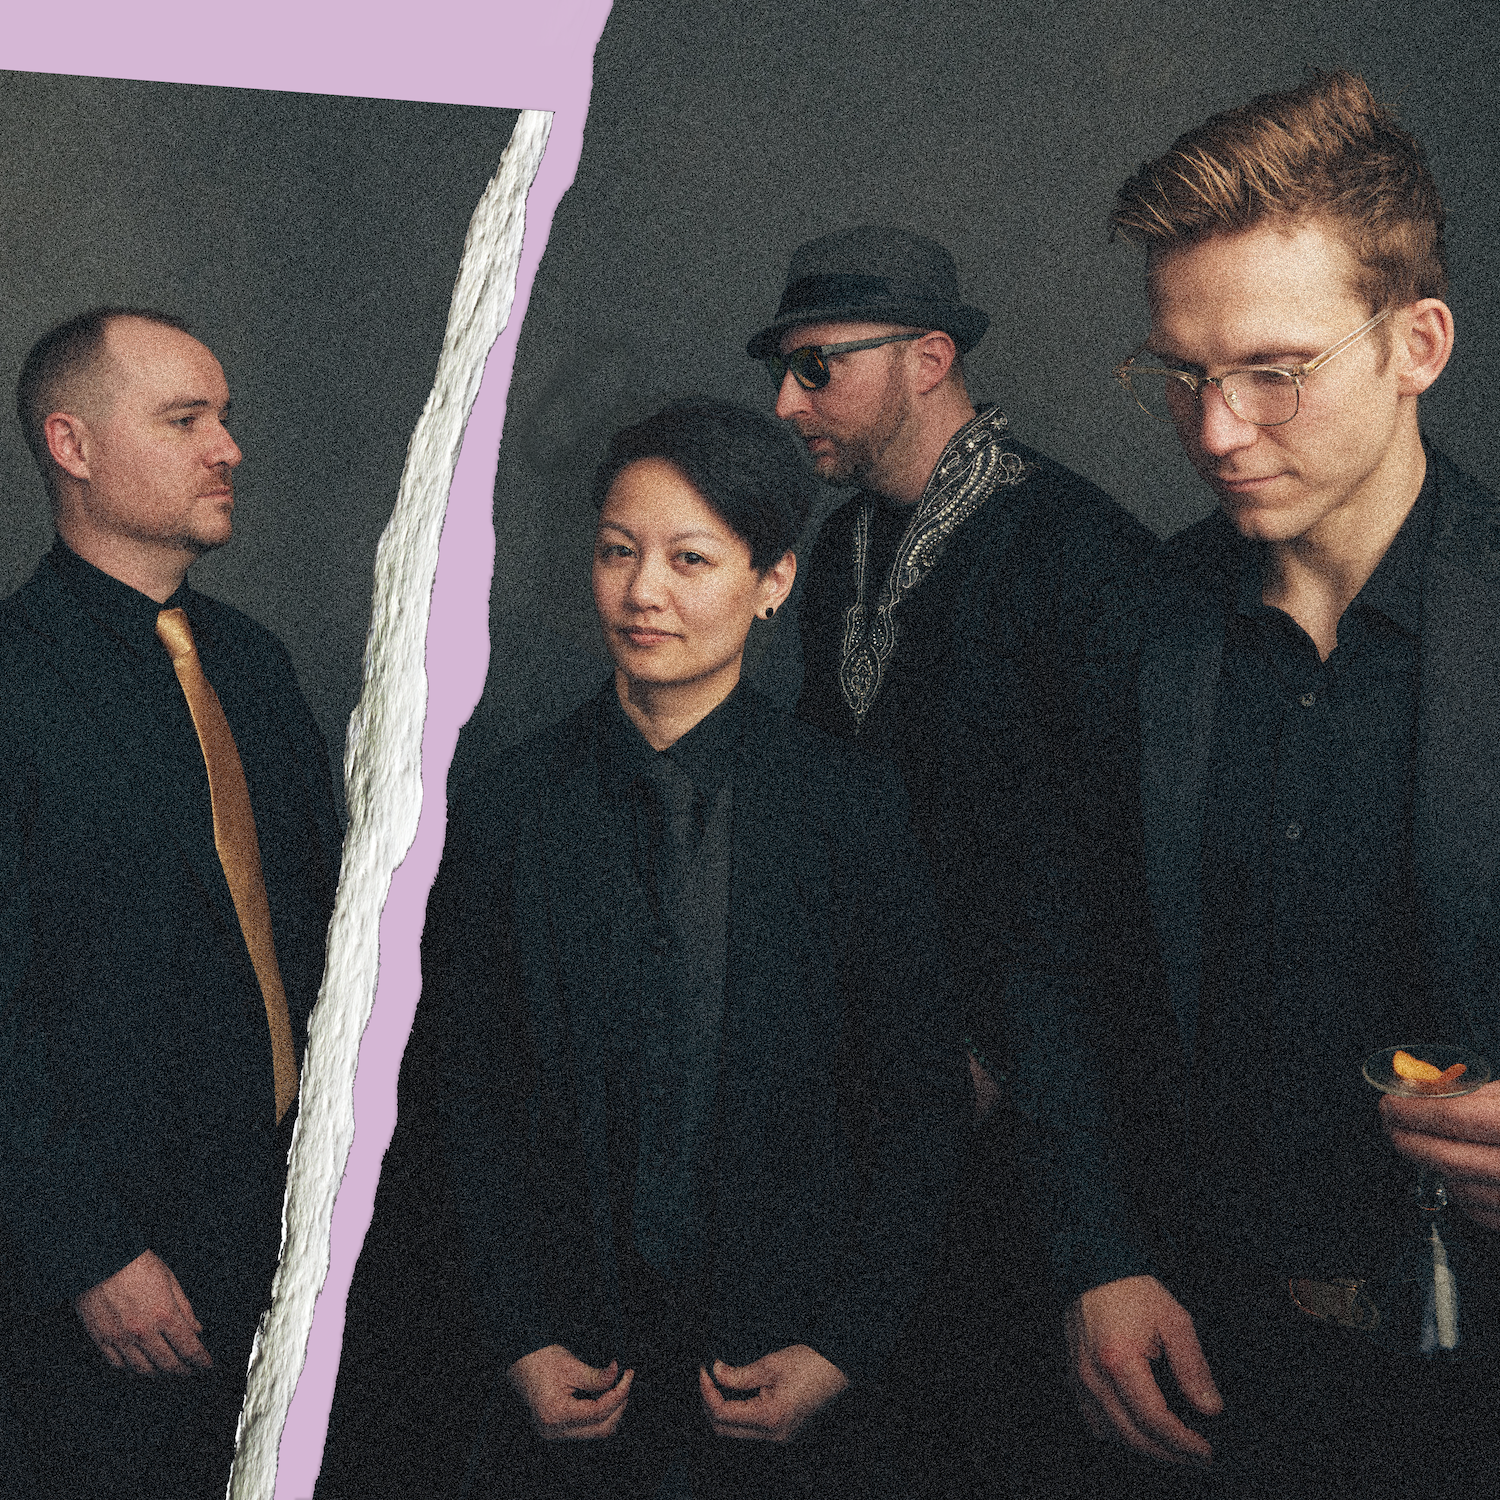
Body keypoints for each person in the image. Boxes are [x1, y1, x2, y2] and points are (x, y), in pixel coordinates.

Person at [1049, 70, 1500, 1496]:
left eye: (1272, 373)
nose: (1215, 432)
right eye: (1181, 374)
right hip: (1197, 1367)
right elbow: (1057, 967)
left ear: (1417, 341)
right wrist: (1101, 1256)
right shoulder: (1131, 622)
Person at [384, 398, 966, 1499]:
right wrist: (516, 1334)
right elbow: (463, 1097)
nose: (643, 591)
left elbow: (916, 1102)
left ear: (774, 582)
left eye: (689, 558)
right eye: (617, 551)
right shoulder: (506, 806)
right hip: (568, 1367)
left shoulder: (847, 809)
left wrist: (842, 1345)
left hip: (782, 1360)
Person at [747, 225, 1156, 1491]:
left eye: (819, 367)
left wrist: (988, 1051)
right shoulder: (841, 554)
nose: (784, 401)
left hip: (1043, 1119)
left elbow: (1114, 876)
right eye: (785, 369)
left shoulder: (1082, 556)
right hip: (876, 1097)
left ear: (929, 358)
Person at [0, 307, 342, 1497]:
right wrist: (86, 1250)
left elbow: (327, 933)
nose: (230, 447)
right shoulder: (11, 681)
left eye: (226, 417)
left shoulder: (251, 661)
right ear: (73, 445)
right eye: (185, 419)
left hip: (295, 1230)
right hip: (111, 1268)